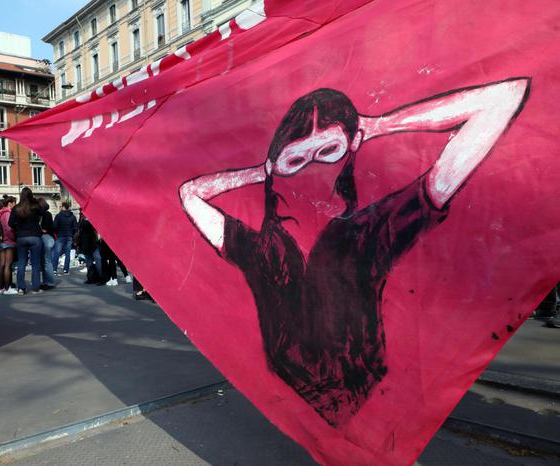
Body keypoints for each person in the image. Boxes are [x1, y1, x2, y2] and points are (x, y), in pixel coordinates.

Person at [179, 79, 530, 427]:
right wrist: (260, 172)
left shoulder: (372, 231)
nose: (312, 169)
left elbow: (501, 100)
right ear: (277, 167)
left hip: (365, 402)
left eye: (327, 152)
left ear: (351, 146)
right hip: (292, 401)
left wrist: (379, 126)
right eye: (296, 159)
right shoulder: (262, 249)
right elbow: (190, 194)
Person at [8, 188, 44, 294]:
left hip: (21, 237)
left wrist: (17, 228)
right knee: (36, 263)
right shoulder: (35, 207)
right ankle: (36, 287)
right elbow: (43, 212)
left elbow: (10, 223)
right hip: (35, 236)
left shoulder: (16, 208)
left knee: (21, 263)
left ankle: (21, 288)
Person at [0, 195, 18, 295]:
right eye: (14, 203)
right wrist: (13, 238)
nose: (15, 205)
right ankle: (8, 288)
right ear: (10, 203)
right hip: (8, 241)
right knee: (8, 265)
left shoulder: (0, 213)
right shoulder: (8, 213)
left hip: (0, 242)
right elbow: (9, 229)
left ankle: (0, 288)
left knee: (2, 264)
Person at [52, 201, 77, 275]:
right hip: (69, 236)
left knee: (56, 252)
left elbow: (54, 226)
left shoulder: (58, 216)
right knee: (67, 253)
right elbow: (75, 227)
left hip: (60, 235)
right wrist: (71, 233)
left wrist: (56, 232)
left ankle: (54, 269)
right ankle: (66, 269)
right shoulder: (72, 216)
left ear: (63, 207)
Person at [38, 198, 56, 290]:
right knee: (44, 261)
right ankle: (46, 282)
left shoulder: (46, 214)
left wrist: (39, 229)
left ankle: (50, 282)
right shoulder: (43, 215)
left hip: (47, 238)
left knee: (47, 261)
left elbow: (45, 229)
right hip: (47, 238)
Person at [78, 215, 99, 284]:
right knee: (94, 261)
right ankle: (94, 277)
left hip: (87, 243)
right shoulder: (88, 220)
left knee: (90, 261)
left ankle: (91, 278)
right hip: (92, 243)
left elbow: (81, 230)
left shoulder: (83, 221)